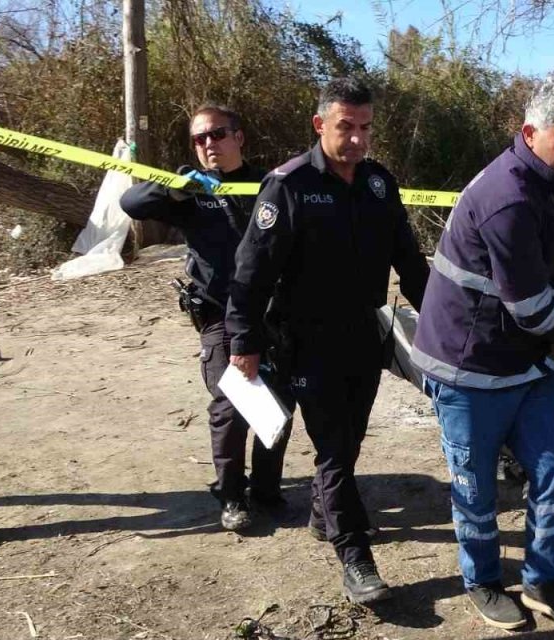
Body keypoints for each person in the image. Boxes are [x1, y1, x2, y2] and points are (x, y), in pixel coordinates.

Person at [411, 73, 554, 631]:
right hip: (467, 364)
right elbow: (531, 307)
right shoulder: (509, 199)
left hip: (523, 360)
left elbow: (543, 285)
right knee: (475, 487)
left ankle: (542, 579)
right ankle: (481, 580)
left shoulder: (548, 183)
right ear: (530, 131)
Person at [225, 77, 430, 605]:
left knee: (350, 441)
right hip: (304, 340)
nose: (358, 139)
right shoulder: (288, 187)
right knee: (335, 448)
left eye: (365, 128)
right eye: (346, 127)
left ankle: (323, 514)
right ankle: (354, 552)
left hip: (365, 333)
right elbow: (251, 273)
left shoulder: (379, 184)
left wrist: (441, 318)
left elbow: (409, 262)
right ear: (320, 125)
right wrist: (243, 340)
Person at [120, 104, 293, 532]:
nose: (208, 145)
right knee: (232, 403)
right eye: (199, 139)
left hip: (276, 313)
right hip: (220, 315)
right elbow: (132, 202)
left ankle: (267, 488)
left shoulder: (271, 185)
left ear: (239, 137)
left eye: (217, 134)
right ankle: (231, 494)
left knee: (279, 404)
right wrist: (176, 189)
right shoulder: (190, 191)